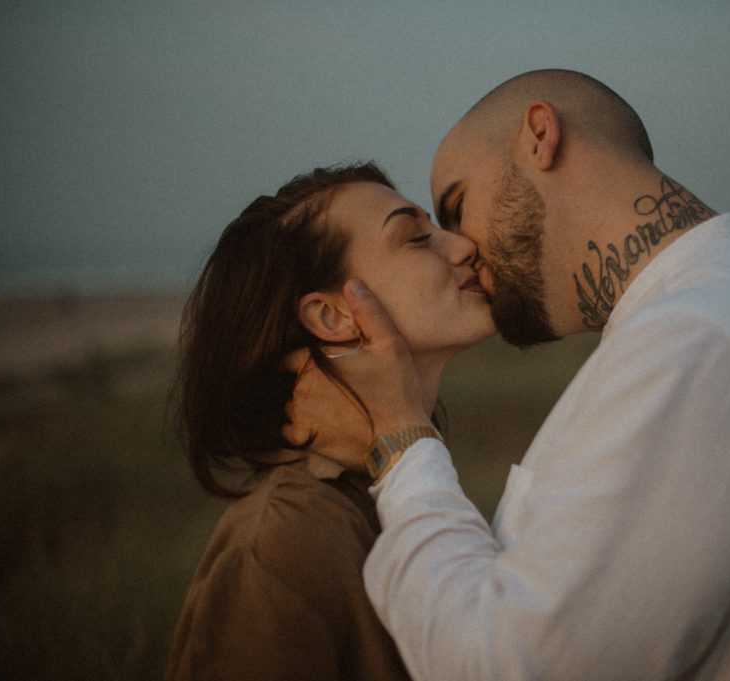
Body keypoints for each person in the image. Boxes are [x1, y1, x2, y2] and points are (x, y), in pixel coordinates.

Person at [285, 70, 730, 680]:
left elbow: (504, 668)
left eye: (457, 206)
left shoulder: (692, 344)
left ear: (540, 135)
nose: (463, 247)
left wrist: (403, 447)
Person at [165, 162, 495, 680]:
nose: (463, 246)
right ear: (331, 316)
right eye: (416, 238)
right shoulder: (281, 541)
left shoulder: (394, 488)